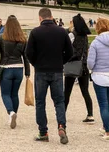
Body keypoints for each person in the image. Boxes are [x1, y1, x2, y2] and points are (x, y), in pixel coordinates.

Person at [26, 8, 73, 144]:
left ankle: (43, 132)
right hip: (57, 70)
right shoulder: (61, 31)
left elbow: (28, 53)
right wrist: (61, 62)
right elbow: (70, 52)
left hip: (41, 70)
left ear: (40, 18)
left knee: (40, 102)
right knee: (59, 101)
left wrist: (36, 63)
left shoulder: (35, 32)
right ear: (52, 17)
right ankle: (61, 125)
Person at [0, 15, 31, 129]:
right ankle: (13, 114)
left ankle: (11, 113)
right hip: (19, 68)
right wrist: (27, 71)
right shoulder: (23, 38)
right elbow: (26, 57)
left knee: (5, 94)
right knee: (14, 94)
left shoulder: (2, 37)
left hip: (6, 68)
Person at [88, 18, 109, 142]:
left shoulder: (95, 43)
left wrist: (93, 67)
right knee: (107, 103)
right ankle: (105, 126)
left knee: (103, 104)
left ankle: (108, 131)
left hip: (100, 76)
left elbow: (90, 63)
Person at [64, 14, 95, 124]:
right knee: (85, 91)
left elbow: (65, 47)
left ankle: (62, 113)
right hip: (84, 65)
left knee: (67, 91)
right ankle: (90, 114)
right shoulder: (85, 36)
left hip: (73, 63)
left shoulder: (72, 34)